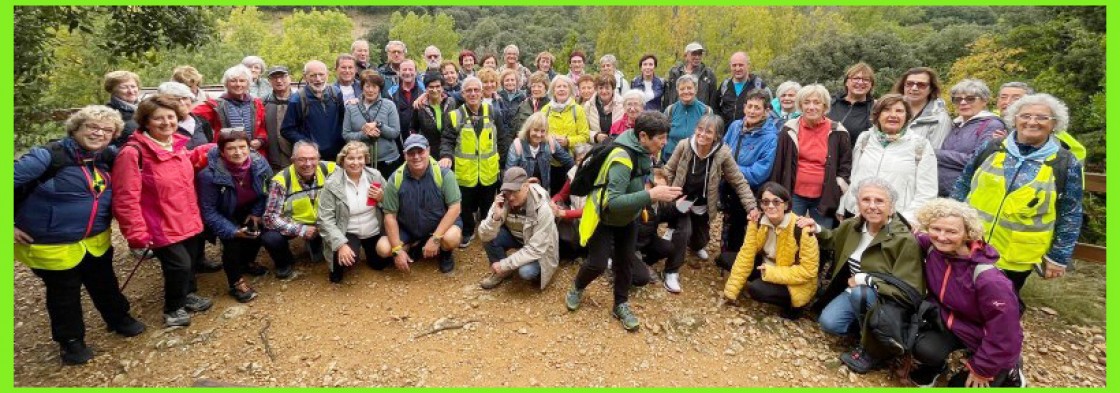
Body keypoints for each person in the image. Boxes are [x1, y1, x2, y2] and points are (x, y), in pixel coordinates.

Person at [14, 105, 144, 365]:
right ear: (76, 128)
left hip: (95, 240)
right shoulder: (48, 156)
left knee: (105, 281)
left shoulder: (108, 156)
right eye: (92, 127)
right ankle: (71, 341)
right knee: (64, 293)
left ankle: (118, 319)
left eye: (107, 130)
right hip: (53, 244)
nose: (99, 134)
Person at [951, 93, 1083, 296]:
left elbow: (1070, 212)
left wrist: (1058, 256)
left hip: (1017, 255)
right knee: (958, 296)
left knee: (1000, 306)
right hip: (971, 243)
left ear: (1054, 124)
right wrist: (949, 223)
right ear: (1015, 119)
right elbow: (962, 185)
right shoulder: (991, 148)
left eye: (1041, 118)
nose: (1032, 122)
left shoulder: (1065, 162)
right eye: (1025, 116)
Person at [565, 112, 683, 331]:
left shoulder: (644, 150)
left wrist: (650, 191)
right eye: (661, 138)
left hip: (629, 217)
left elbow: (641, 179)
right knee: (597, 263)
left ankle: (620, 304)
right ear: (644, 136)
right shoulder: (622, 158)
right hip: (605, 216)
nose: (665, 142)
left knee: (625, 262)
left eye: (666, 136)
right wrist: (652, 195)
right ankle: (577, 287)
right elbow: (615, 201)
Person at [112, 94, 211, 327]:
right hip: (159, 221)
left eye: (171, 117)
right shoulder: (132, 153)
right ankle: (173, 308)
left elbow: (184, 171)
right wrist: (135, 233)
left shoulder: (176, 143)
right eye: (159, 118)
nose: (167, 122)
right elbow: (125, 197)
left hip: (186, 215)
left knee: (191, 260)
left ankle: (187, 294)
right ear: (145, 121)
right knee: (179, 264)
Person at [809, 177, 925, 374]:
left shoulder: (904, 240)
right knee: (828, 323)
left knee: (860, 294)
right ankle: (871, 332)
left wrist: (866, 279)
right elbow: (834, 241)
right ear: (858, 203)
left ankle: (873, 351)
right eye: (866, 200)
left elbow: (910, 290)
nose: (872, 206)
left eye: (879, 201)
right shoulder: (853, 225)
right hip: (856, 293)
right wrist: (817, 229)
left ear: (892, 206)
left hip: (886, 302)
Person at [907, 198, 1026, 388]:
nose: (942, 236)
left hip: (983, 333)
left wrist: (983, 369)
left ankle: (1009, 369)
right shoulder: (932, 247)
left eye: (951, 231)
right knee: (922, 349)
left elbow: (1006, 332)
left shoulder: (989, 279)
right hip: (950, 321)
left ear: (967, 234)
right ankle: (937, 366)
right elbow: (904, 234)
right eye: (936, 229)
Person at [662, 114, 757, 292]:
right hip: (683, 199)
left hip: (704, 204)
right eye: (700, 129)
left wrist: (751, 206)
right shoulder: (684, 146)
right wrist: (669, 193)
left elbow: (738, 181)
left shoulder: (723, 154)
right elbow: (668, 170)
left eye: (708, 131)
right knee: (684, 231)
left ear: (717, 136)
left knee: (700, 241)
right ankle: (671, 271)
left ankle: (691, 241)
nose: (702, 134)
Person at [196, 128, 275, 302]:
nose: (238, 152)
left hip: (250, 207)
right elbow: (208, 210)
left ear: (249, 148)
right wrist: (232, 230)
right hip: (224, 212)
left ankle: (247, 262)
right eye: (231, 148)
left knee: (256, 230)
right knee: (232, 243)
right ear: (222, 151)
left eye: (242, 147)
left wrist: (256, 212)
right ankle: (236, 281)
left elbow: (269, 189)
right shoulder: (208, 176)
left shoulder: (259, 162)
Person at [722, 182, 819, 319]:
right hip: (767, 266)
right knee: (724, 259)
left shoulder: (801, 229)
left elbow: (809, 271)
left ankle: (794, 305)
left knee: (756, 290)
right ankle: (764, 282)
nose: (771, 206)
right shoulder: (757, 222)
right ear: (761, 205)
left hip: (792, 279)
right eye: (765, 202)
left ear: (785, 205)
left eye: (776, 202)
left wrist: (771, 273)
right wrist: (731, 291)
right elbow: (746, 254)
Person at [838, 94, 937, 223]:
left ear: (907, 116)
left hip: (895, 221)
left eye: (899, 111)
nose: (893, 115)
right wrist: (843, 207)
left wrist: (906, 220)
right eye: (887, 110)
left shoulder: (920, 146)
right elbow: (854, 176)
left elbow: (927, 193)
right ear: (877, 115)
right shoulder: (865, 138)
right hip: (858, 215)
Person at [376, 134, 463, 273]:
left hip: (438, 224)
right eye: (411, 152)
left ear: (428, 150)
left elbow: (455, 208)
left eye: (420, 151)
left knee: (452, 237)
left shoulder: (444, 174)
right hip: (408, 227)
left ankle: (445, 252)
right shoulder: (396, 178)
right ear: (404, 155)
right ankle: (411, 245)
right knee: (383, 248)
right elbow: (390, 216)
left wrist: (435, 238)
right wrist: (397, 250)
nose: (416, 157)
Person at [770, 84, 852, 230]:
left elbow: (845, 166)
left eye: (816, 102)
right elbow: (779, 163)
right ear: (800, 105)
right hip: (794, 194)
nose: (811, 107)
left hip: (825, 196)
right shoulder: (789, 129)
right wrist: (776, 192)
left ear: (825, 105)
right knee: (790, 234)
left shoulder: (838, 131)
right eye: (806, 102)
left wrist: (837, 189)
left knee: (821, 237)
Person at [439, 76, 501, 249]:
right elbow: (447, 140)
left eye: (476, 90)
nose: (473, 94)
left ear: (482, 93)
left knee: (488, 203)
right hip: (465, 172)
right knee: (465, 205)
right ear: (463, 94)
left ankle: (486, 230)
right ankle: (468, 230)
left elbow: (502, 138)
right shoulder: (454, 116)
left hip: (489, 170)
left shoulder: (493, 111)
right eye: (469, 91)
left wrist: (504, 163)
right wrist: (446, 156)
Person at [261, 141, 337, 280]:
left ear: (318, 158)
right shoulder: (281, 181)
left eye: (312, 159)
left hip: (323, 222)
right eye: (302, 159)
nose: (308, 164)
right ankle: (284, 262)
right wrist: (301, 230)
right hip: (295, 223)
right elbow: (270, 218)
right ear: (293, 160)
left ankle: (316, 243)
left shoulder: (331, 169)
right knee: (271, 238)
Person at [719, 89, 779, 264]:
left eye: (757, 108)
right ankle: (725, 257)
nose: (752, 111)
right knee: (728, 222)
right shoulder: (735, 126)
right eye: (750, 106)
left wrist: (730, 169)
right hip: (728, 185)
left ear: (766, 111)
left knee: (743, 226)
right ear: (744, 107)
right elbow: (723, 149)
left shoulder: (770, 137)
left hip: (749, 189)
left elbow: (760, 172)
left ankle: (739, 263)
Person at [318, 141, 391, 283]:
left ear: (365, 159)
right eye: (351, 158)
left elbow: (392, 204)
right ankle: (338, 255)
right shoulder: (332, 184)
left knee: (379, 264)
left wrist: (382, 198)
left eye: (360, 158)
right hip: (348, 230)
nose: (355, 163)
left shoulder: (375, 176)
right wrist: (340, 244)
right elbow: (324, 219)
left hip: (373, 229)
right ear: (342, 160)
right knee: (347, 262)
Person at [477, 167, 561, 289]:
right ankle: (502, 273)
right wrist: (495, 218)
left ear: (526, 187)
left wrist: (504, 264)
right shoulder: (502, 199)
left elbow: (535, 248)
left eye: (515, 191)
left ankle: (536, 272)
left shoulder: (542, 207)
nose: (510, 197)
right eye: (508, 191)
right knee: (489, 235)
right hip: (518, 237)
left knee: (526, 271)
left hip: (540, 248)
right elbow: (483, 235)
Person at [936, 79, 1006, 197]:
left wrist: (935, 154)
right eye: (957, 99)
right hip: (941, 192)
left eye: (970, 99)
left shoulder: (992, 125)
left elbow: (978, 159)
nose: (963, 103)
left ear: (984, 101)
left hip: (964, 193)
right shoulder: (956, 124)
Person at [996, 81, 1086, 162]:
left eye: (1016, 98)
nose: (1007, 102)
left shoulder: (1048, 129)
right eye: (1003, 97)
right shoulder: (989, 120)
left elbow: (1076, 153)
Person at [192, 65, 269, 155]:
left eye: (242, 81)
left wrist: (261, 140)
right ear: (226, 84)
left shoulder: (257, 104)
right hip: (225, 154)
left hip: (253, 154)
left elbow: (262, 128)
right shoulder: (215, 104)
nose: (238, 84)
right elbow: (189, 115)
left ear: (248, 84)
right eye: (233, 81)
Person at [281, 60, 346, 160]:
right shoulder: (297, 99)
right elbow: (286, 130)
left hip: (338, 154)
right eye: (313, 75)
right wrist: (308, 144)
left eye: (321, 74)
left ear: (327, 74)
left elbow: (344, 121)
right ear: (305, 76)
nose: (318, 79)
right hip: (313, 158)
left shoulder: (336, 93)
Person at [342, 70, 401, 176]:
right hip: (360, 163)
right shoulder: (351, 107)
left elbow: (395, 132)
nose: (370, 90)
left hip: (387, 161)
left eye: (374, 87)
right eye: (367, 86)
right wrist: (364, 134)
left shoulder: (389, 105)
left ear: (379, 88)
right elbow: (346, 135)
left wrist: (379, 125)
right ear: (362, 87)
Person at [540, 75, 591, 191]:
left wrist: (568, 141)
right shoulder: (545, 110)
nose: (561, 89)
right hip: (549, 161)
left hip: (571, 161)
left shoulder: (577, 110)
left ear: (570, 90)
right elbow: (538, 134)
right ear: (553, 90)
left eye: (565, 86)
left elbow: (585, 136)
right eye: (558, 87)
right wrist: (549, 139)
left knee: (569, 195)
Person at [507, 112, 575, 194]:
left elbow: (568, 161)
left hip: (543, 192)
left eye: (542, 131)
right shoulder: (517, 145)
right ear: (528, 129)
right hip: (522, 193)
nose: (539, 135)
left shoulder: (550, 142)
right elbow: (509, 176)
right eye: (535, 130)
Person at [891, 67, 952, 149]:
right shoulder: (890, 111)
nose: (914, 88)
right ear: (903, 86)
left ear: (931, 89)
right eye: (909, 83)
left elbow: (934, 154)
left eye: (921, 85)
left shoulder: (939, 118)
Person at [551, 143, 593, 260]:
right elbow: (563, 194)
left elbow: (590, 210)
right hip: (576, 215)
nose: (583, 162)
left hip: (593, 218)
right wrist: (552, 202)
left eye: (587, 159)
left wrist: (565, 213)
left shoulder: (597, 176)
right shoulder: (573, 173)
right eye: (579, 159)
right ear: (575, 161)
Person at [663, 74, 714, 161]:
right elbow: (661, 134)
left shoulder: (706, 111)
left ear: (696, 89)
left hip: (696, 159)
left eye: (689, 88)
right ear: (677, 91)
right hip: (670, 158)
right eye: (682, 89)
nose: (686, 91)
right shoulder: (670, 110)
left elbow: (711, 136)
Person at [714, 52, 769, 128]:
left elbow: (769, 111)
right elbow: (715, 107)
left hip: (752, 133)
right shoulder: (725, 85)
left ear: (748, 65)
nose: (737, 68)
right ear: (730, 66)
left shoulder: (759, 85)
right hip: (727, 134)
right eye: (734, 65)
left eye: (741, 65)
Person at [827, 63, 876, 147]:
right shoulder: (830, 102)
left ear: (871, 85)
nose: (860, 82)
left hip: (856, 158)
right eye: (856, 78)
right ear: (846, 82)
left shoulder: (876, 108)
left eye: (866, 79)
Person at [158, 81, 214, 149]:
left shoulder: (202, 122)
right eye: (176, 99)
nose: (182, 103)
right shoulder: (163, 126)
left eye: (185, 98)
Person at [663, 42, 718, 109]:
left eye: (699, 54)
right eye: (694, 54)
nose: (697, 57)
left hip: (700, 114)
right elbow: (667, 98)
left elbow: (713, 101)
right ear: (686, 55)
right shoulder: (675, 73)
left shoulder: (708, 74)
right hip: (677, 113)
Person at [413, 71, 457, 150]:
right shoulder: (420, 106)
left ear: (442, 87)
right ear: (426, 88)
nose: (435, 90)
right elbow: (413, 128)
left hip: (450, 148)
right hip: (428, 150)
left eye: (437, 86)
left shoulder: (451, 102)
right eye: (431, 87)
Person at [262, 66, 295, 171]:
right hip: (271, 162)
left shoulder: (300, 100)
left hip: (296, 159)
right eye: (274, 77)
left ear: (290, 78)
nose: (279, 80)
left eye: (282, 76)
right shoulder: (263, 103)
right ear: (269, 81)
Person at [391, 60, 424, 151]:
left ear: (416, 72)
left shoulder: (424, 91)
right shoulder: (391, 93)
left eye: (410, 69)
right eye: (404, 70)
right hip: (399, 141)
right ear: (398, 72)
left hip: (421, 140)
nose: (407, 72)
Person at [103, 70, 142, 146]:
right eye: (124, 87)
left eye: (133, 86)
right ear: (112, 90)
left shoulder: (147, 107)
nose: (131, 91)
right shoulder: (108, 113)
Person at [588, 73, 625, 143]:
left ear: (613, 88)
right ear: (596, 89)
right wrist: (595, 136)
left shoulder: (622, 104)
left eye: (607, 88)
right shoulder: (589, 105)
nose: (604, 91)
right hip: (595, 145)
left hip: (617, 144)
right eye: (601, 88)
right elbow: (584, 130)